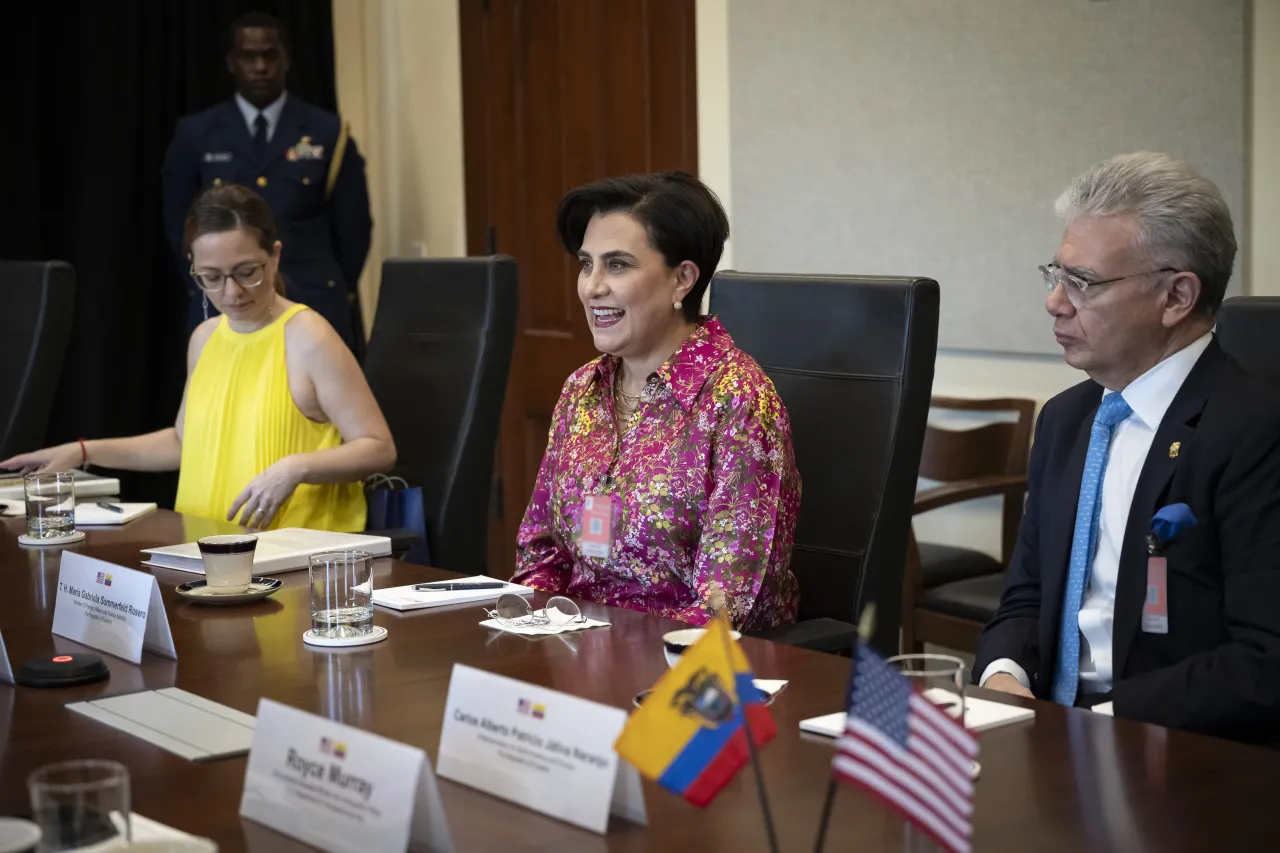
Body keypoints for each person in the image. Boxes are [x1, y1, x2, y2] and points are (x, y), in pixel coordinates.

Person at [975, 152, 1280, 742]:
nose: (1055, 302)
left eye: (1083, 283)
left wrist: (1098, 724)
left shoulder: (1254, 433)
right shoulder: (1067, 418)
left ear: (1176, 297)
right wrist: (1004, 675)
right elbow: (1027, 594)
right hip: (1046, 736)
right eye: (1054, 275)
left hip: (1173, 749)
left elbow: (1266, 660)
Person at [2, 185, 394, 532]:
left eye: (247, 272)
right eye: (211, 277)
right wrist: (83, 451)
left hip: (291, 556)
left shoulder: (308, 336)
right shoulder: (205, 337)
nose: (232, 292)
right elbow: (184, 443)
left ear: (274, 256)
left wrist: (295, 467)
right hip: (202, 549)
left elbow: (378, 446)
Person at [512, 172, 801, 631]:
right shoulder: (581, 389)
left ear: (682, 280)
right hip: (575, 653)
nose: (592, 287)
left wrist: (609, 658)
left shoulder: (738, 400)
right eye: (587, 264)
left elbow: (727, 605)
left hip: (681, 674)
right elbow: (541, 551)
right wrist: (536, 637)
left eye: (618, 265)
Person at [161, 11, 373, 356]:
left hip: (312, 298)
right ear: (231, 63)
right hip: (227, 305)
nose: (260, 66)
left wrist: (333, 287)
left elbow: (354, 227)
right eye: (249, 56)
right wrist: (211, 284)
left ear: (286, 59)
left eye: (270, 55)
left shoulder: (328, 132)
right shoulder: (197, 134)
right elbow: (179, 223)